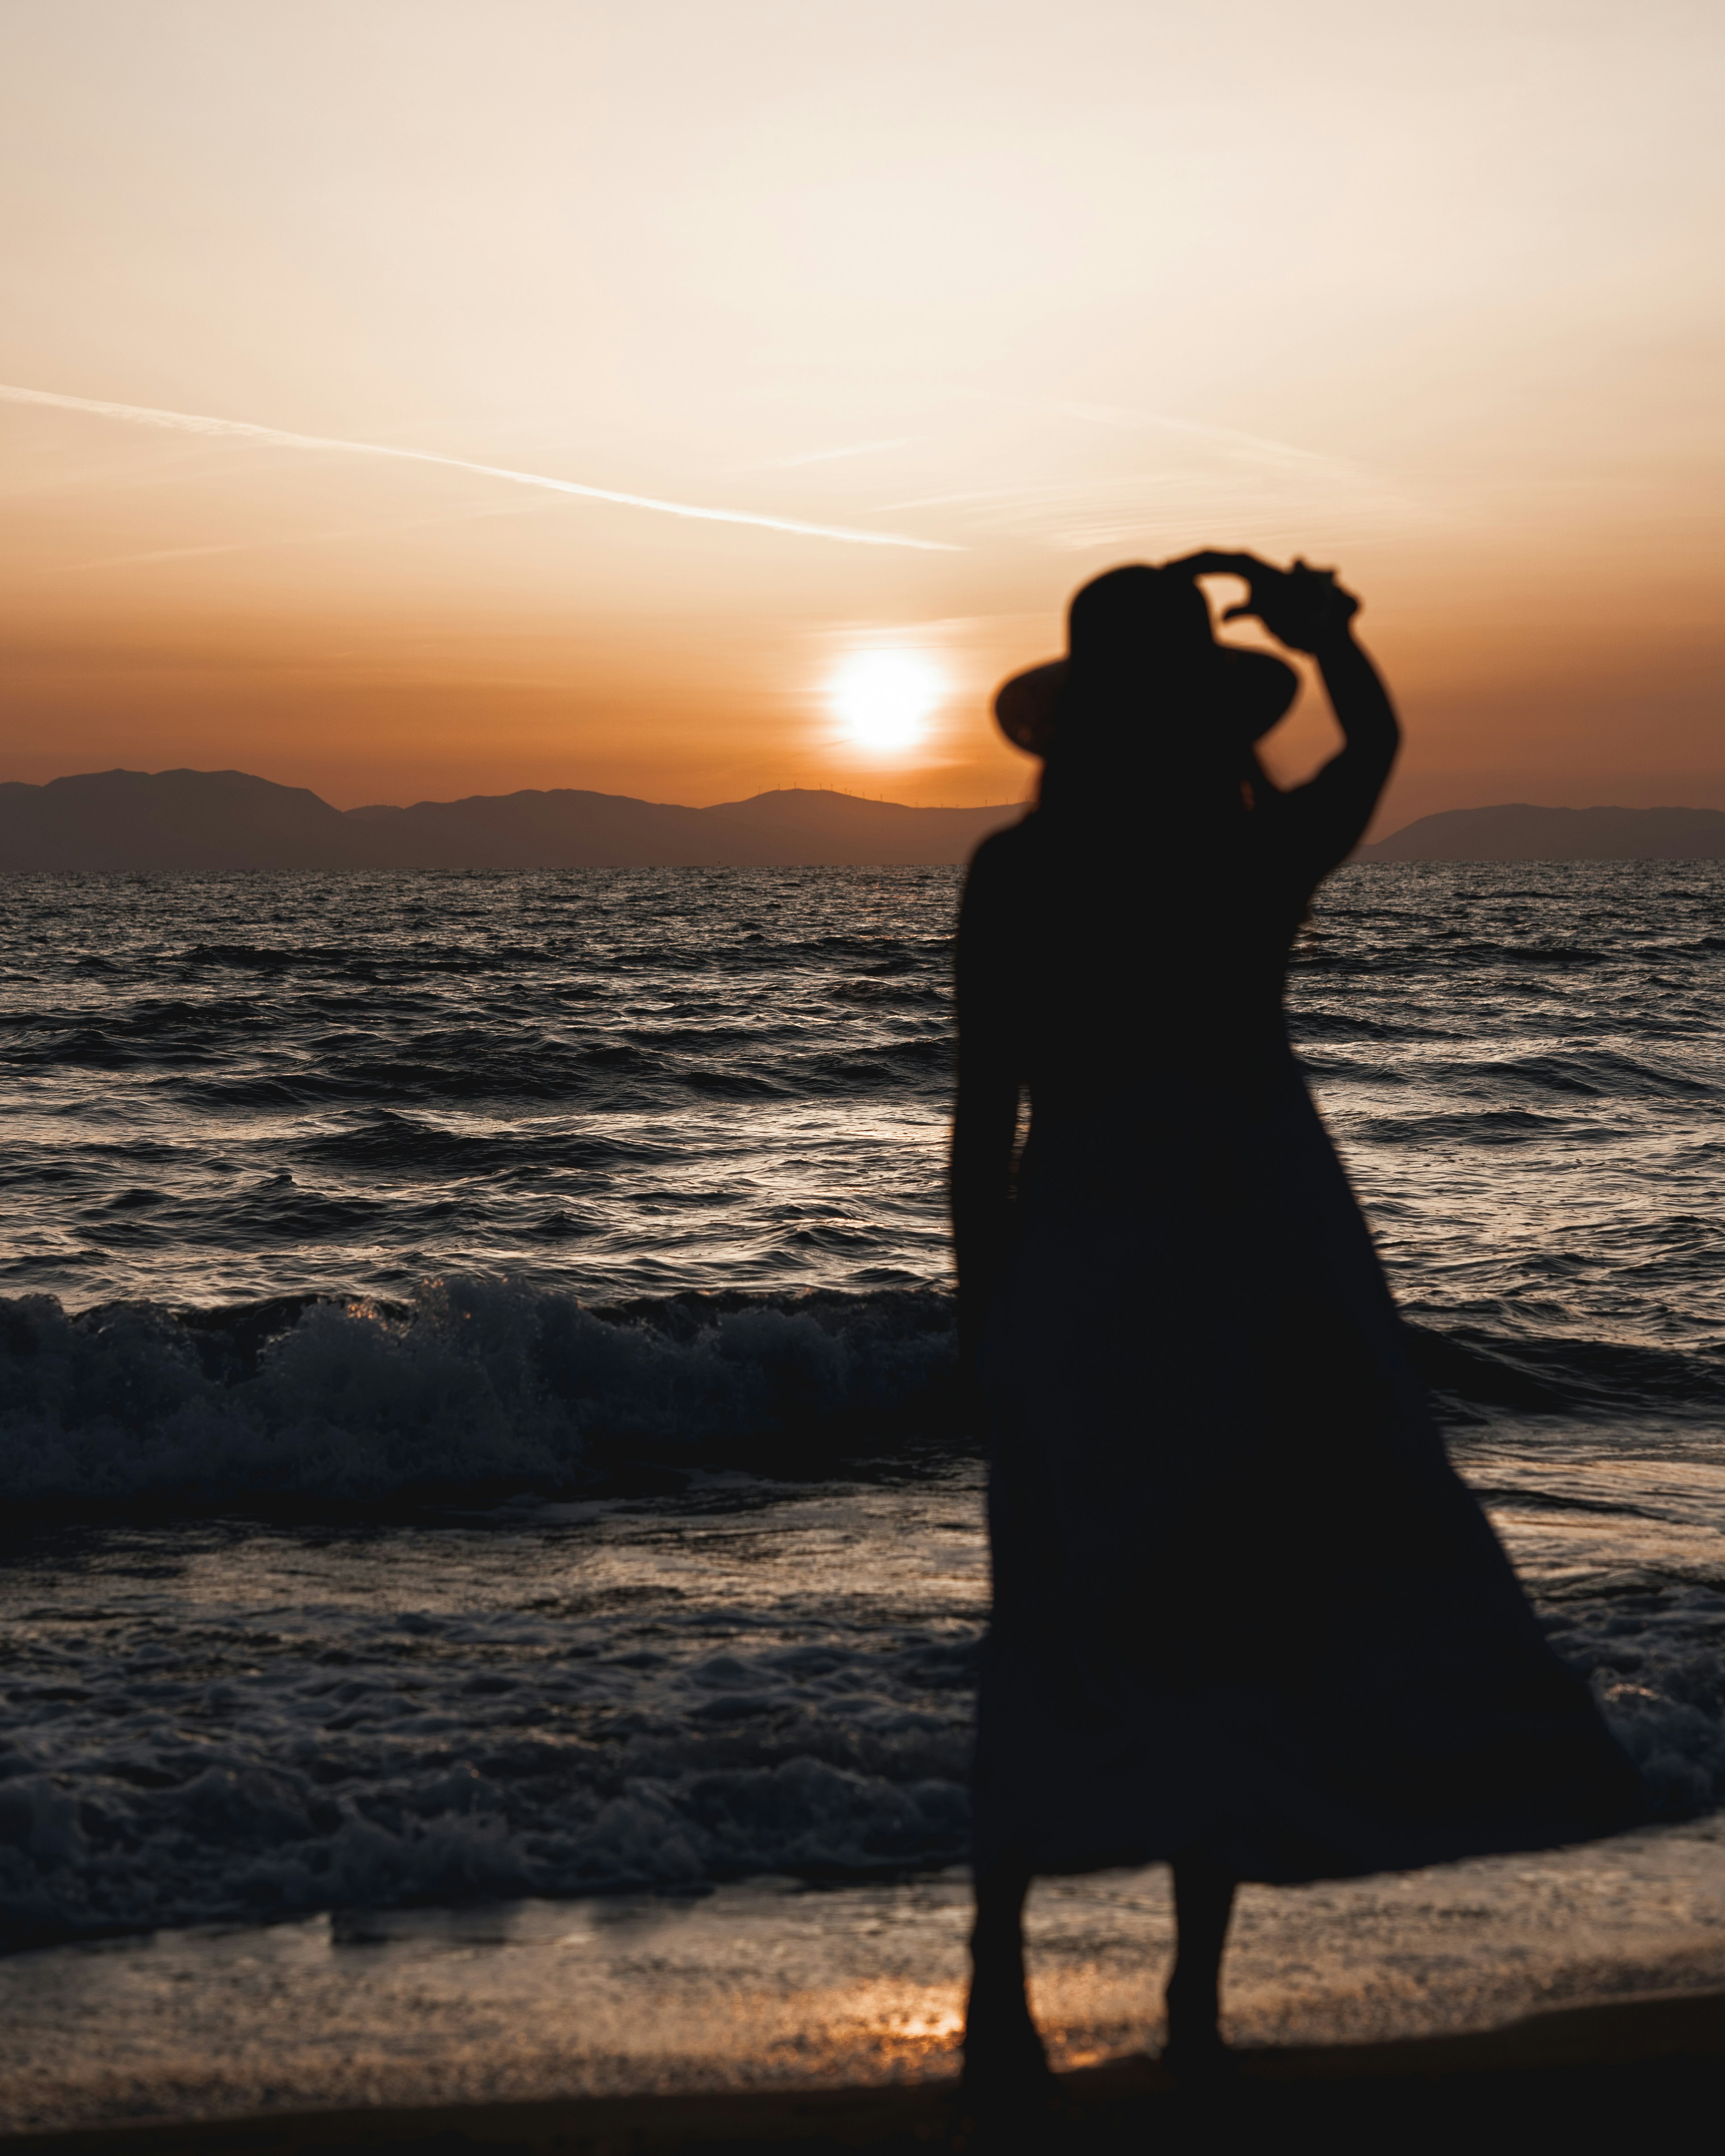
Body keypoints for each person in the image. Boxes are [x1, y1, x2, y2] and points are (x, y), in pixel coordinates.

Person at [950, 553, 1644, 2107]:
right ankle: (1188, 2007)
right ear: (1205, 711)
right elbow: (1375, 743)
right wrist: (1318, 627)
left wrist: (979, 1312)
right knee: (1228, 1618)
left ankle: (999, 1988)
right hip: (1258, 1261)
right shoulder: (1245, 856)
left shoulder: (1022, 871)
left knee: (1055, 1613)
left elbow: (981, 1118)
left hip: (1086, 1264)